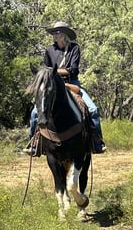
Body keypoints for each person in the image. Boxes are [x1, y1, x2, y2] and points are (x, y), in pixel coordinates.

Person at [24, 21, 106, 155]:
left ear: (64, 34)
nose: (54, 35)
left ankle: (96, 141)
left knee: (93, 109)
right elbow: (46, 70)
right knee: (34, 113)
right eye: (53, 33)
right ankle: (34, 143)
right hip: (52, 84)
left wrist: (55, 72)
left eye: (57, 32)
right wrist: (51, 73)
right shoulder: (50, 50)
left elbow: (73, 70)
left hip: (71, 83)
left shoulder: (74, 48)